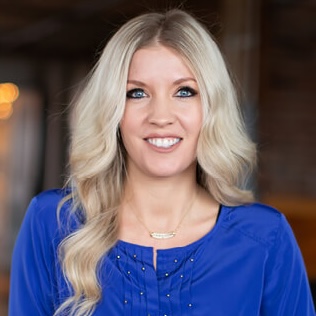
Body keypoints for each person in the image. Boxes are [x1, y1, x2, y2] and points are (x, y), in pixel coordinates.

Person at [9, 9, 315, 316]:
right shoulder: (53, 223)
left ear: (211, 108)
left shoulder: (264, 237)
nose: (161, 117)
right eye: (137, 93)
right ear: (112, 111)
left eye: (184, 91)